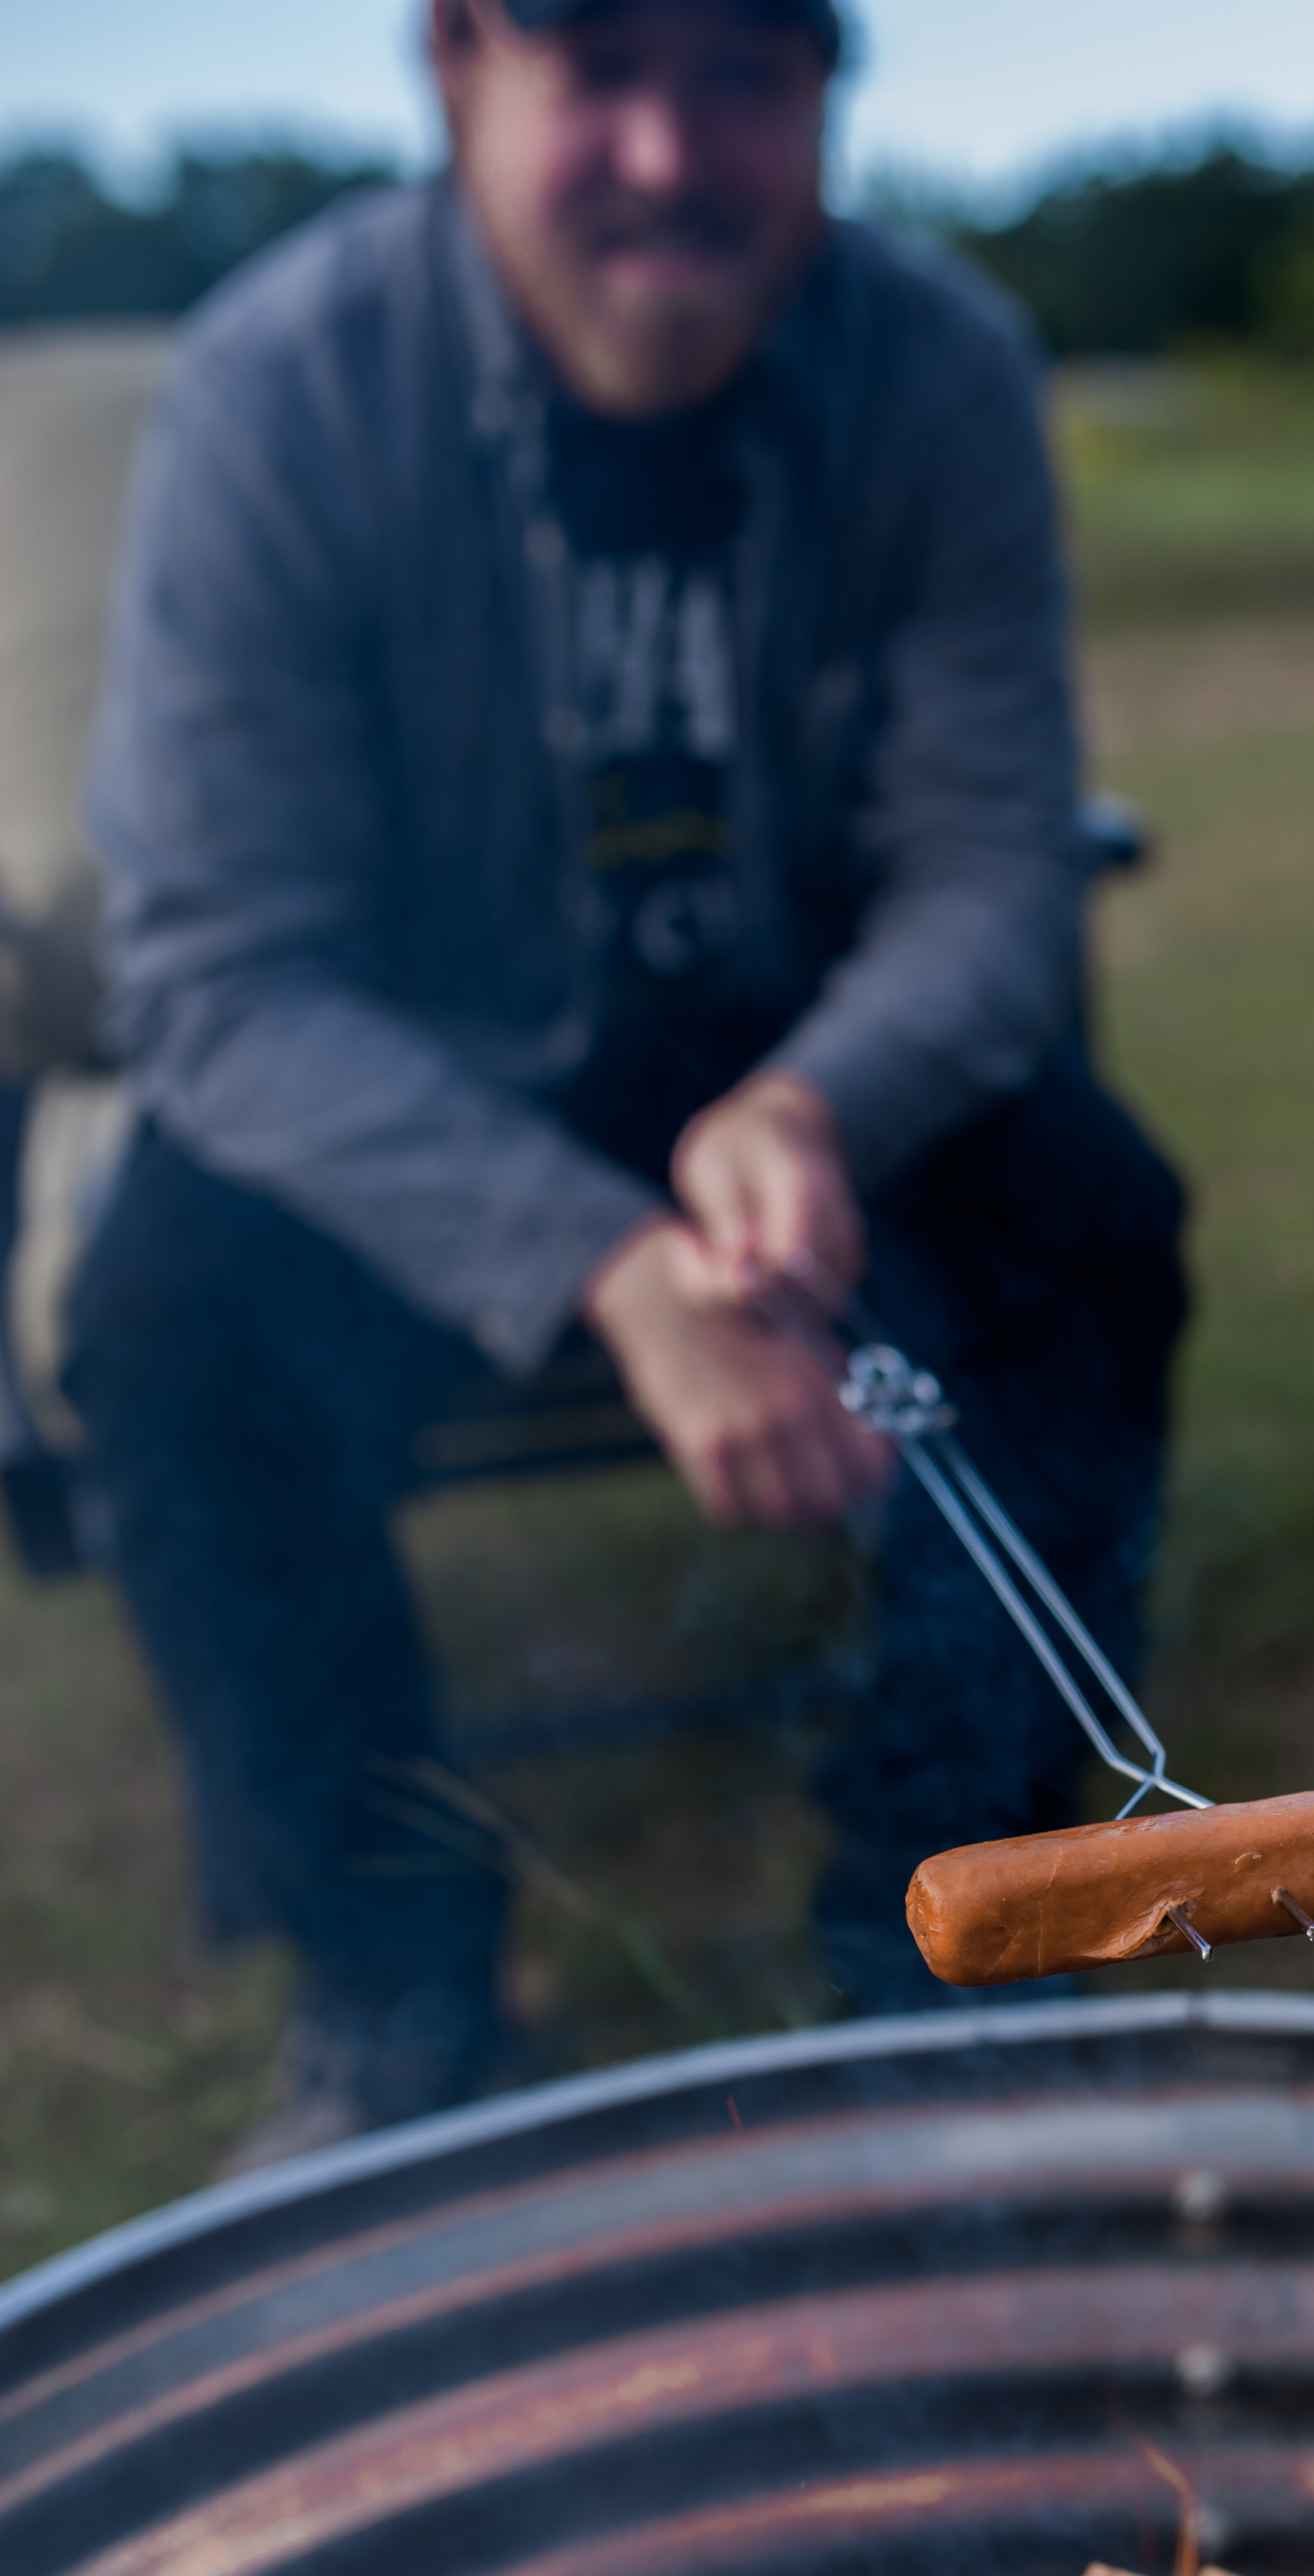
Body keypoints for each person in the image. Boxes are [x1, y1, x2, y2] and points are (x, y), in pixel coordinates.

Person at [67, 0, 1188, 2159]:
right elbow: (216, 972)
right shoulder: (281, 388)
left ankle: (933, 1921)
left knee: (1088, 1215)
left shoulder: (938, 369)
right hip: (419, 1082)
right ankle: (392, 1974)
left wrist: (816, 1104)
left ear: (828, 99)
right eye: (597, 62)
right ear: (455, 75)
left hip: (801, 1060)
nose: (673, 152)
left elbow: (992, 872)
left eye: (745, 71)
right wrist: (604, 1264)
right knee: (167, 1316)